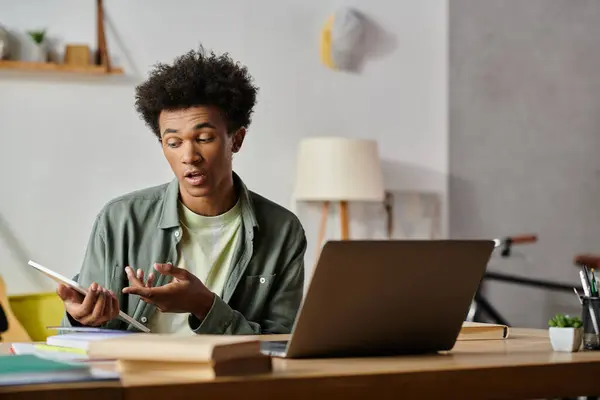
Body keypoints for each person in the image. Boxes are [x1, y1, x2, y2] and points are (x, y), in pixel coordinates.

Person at [57, 46, 307, 335]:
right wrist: (80, 318)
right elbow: (78, 340)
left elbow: (278, 346)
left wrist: (204, 305)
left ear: (236, 140)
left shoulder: (282, 230)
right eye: (173, 142)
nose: (189, 156)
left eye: (204, 138)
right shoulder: (120, 219)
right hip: (135, 376)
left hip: (226, 379)